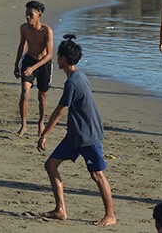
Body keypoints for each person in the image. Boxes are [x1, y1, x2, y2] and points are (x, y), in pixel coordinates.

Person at [37, 34, 116, 227]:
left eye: (58, 56)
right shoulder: (79, 75)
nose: (57, 59)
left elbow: (59, 111)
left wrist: (44, 134)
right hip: (74, 135)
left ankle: (111, 215)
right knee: (50, 165)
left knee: (97, 175)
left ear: (64, 59)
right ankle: (60, 210)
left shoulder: (73, 83)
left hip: (87, 136)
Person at [14, 0, 54, 137]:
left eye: (31, 15)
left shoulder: (46, 31)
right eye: (26, 14)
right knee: (25, 92)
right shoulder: (24, 28)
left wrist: (33, 68)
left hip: (43, 63)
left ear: (39, 15)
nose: (28, 17)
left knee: (42, 95)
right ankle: (24, 125)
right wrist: (16, 64)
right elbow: (22, 45)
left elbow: (49, 55)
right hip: (29, 60)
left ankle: (41, 123)